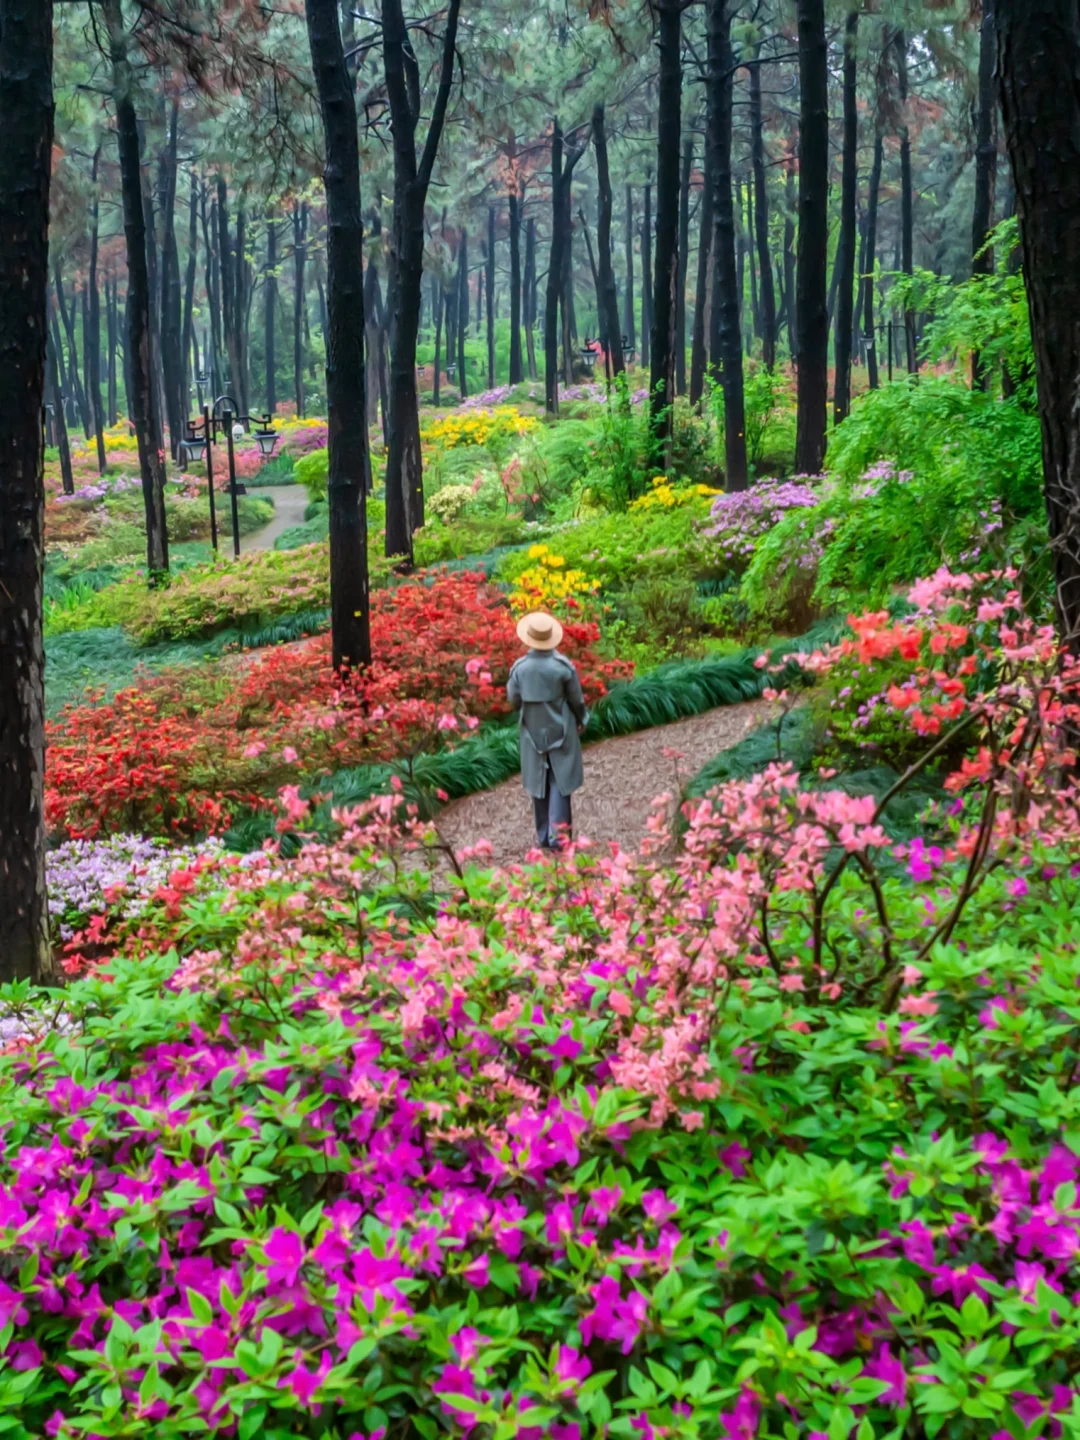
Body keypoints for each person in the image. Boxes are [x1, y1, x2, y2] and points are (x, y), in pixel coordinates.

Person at [507, 611, 588, 850]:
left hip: (531, 732)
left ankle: (543, 836)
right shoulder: (563, 667)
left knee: (538, 780)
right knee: (560, 780)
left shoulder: (519, 669)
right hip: (561, 730)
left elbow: (513, 699)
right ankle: (559, 838)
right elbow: (577, 700)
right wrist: (582, 719)